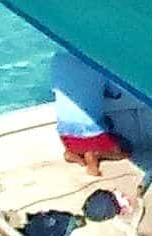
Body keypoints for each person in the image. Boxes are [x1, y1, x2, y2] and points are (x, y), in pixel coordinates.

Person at [51, 48, 129, 176]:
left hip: (65, 136)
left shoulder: (57, 58)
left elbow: (55, 88)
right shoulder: (100, 61)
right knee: (125, 147)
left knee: (102, 123)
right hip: (92, 136)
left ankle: (73, 154)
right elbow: (116, 93)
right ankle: (96, 154)